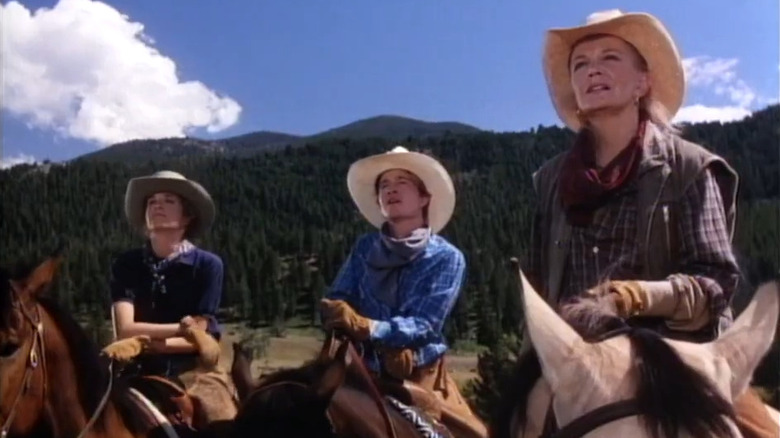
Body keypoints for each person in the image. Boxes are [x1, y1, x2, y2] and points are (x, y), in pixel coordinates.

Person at [524, 9, 776, 436]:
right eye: (580, 64)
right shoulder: (549, 180)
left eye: (609, 58)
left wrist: (640, 296)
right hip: (579, 365)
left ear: (643, 82)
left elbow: (715, 284)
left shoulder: (689, 167)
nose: (592, 70)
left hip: (678, 357)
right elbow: (539, 288)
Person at [319, 146, 488, 438]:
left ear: (424, 197)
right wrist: (337, 310)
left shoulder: (447, 257)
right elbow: (340, 294)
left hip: (420, 372)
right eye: (384, 185)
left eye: (402, 183)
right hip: (358, 369)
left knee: (472, 434)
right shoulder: (364, 247)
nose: (390, 190)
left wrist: (367, 327)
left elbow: (425, 324)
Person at [109, 170, 237, 428]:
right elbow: (124, 329)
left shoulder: (207, 265)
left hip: (193, 371)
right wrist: (187, 329)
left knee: (220, 419)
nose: (157, 205)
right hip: (132, 366)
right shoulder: (126, 264)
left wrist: (155, 343)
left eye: (168, 200)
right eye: (152, 201)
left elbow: (206, 337)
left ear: (187, 216)